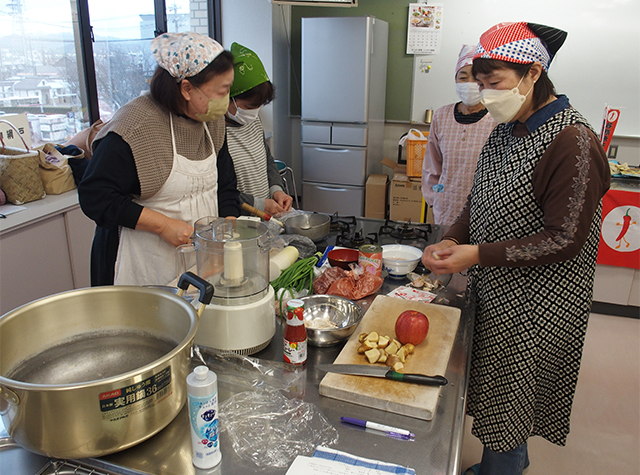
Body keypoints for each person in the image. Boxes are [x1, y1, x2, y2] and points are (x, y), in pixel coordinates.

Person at [421, 22, 610, 475]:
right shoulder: (508, 128)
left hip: (538, 304)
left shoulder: (572, 141)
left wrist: (478, 255)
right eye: (481, 84)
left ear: (532, 75)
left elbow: (565, 237)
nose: (486, 95)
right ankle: (506, 463)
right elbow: (479, 197)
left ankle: (502, 469)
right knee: (498, 395)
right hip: (500, 292)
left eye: (495, 83)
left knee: (511, 399)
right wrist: (453, 237)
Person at [79, 32, 240, 287]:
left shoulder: (212, 120)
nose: (226, 100)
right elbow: (94, 196)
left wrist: (228, 236)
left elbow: (226, 185)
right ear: (187, 88)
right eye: (221, 91)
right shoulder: (135, 127)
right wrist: (163, 225)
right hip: (143, 265)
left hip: (200, 263)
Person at [422, 44, 497, 227]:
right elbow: (433, 166)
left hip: (485, 212)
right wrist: (435, 200)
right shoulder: (442, 116)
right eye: (463, 77)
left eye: (477, 78)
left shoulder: (498, 118)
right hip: (447, 209)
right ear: (455, 79)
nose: (470, 83)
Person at [225, 42, 293, 216]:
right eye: (249, 106)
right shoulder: (215, 132)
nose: (254, 113)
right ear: (228, 97)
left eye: (259, 106)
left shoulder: (254, 121)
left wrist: (277, 190)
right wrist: (258, 204)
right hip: (240, 221)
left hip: (266, 217)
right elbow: (220, 192)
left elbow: (267, 160)